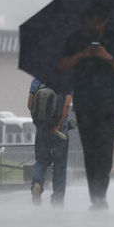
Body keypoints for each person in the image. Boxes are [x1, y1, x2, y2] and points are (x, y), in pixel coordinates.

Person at [58, 1, 114, 211]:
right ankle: (95, 196)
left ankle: (102, 194)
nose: (97, 26)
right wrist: (81, 55)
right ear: (89, 21)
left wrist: (108, 57)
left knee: (105, 149)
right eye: (94, 22)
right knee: (89, 150)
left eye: (101, 22)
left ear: (106, 20)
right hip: (85, 103)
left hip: (108, 103)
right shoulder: (77, 39)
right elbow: (62, 65)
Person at [28, 78, 72, 207]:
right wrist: (57, 125)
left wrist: (40, 123)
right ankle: (57, 201)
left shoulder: (37, 80)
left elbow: (30, 104)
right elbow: (67, 105)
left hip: (42, 129)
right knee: (60, 166)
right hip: (61, 129)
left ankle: (37, 184)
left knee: (41, 161)